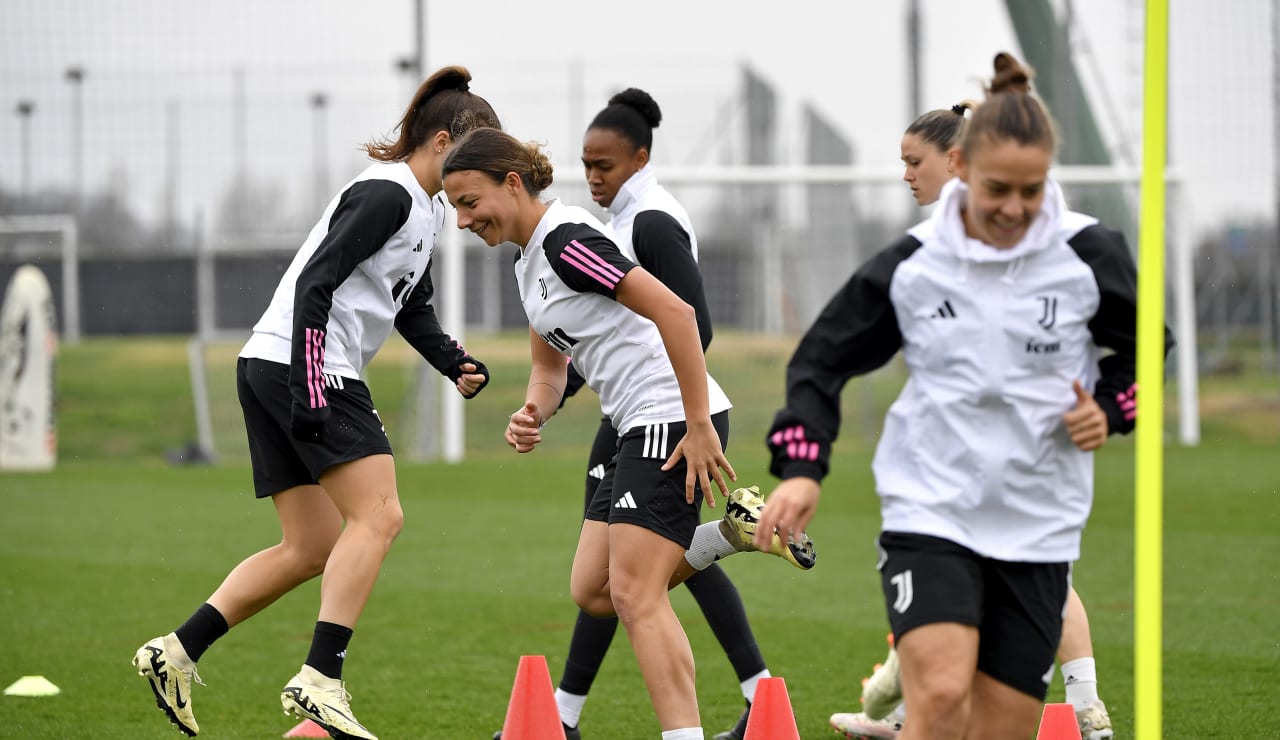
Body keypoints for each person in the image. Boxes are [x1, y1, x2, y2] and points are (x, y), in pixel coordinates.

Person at [756, 52, 1171, 740]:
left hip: (1039, 520)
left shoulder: (1088, 256)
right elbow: (821, 359)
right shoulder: (916, 265)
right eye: (996, 189)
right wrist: (803, 468)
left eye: (1030, 191)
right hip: (933, 506)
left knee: (998, 728)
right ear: (964, 171)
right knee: (943, 695)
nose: (1013, 208)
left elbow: (1148, 349)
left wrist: (1109, 406)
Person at [131, 65, 500, 740]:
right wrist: (308, 386)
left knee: (310, 546)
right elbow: (315, 284)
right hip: (303, 365)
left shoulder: (424, 211)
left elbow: (409, 308)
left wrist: (453, 362)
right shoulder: (387, 195)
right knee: (380, 515)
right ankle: (320, 679)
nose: (478, 177)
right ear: (442, 141)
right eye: (476, 156)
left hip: (274, 365)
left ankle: (175, 653)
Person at [442, 127, 814, 740]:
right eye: (454, 206)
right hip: (629, 423)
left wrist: (697, 424)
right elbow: (548, 365)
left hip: (669, 416)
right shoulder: (527, 260)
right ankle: (727, 535)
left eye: (468, 201)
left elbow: (675, 311)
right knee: (594, 589)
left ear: (511, 183)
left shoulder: (567, 241)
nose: (461, 220)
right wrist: (533, 410)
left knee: (638, 595)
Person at [833, 98, 1116, 740]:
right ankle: (919, 707)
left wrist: (1109, 403)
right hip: (961, 476)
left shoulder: (1026, 224)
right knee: (953, 597)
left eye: (914, 161)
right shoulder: (940, 242)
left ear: (955, 159)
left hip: (1022, 465)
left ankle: (1082, 707)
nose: (906, 175)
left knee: (1031, 573)